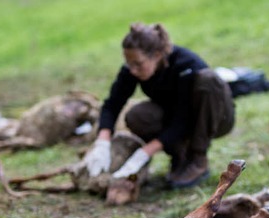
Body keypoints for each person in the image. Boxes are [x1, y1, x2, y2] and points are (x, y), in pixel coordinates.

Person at [82, 22, 235, 188]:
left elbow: (183, 118)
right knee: (137, 116)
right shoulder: (133, 68)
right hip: (174, 116)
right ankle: (179, 156)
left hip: (213, 118)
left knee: (208, 79)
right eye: (128, 63)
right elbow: (112, 104)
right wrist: (102, 142)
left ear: (156, 55)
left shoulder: (185, 64)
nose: (132, 70)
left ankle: (198, 158)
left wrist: (144, 153)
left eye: (138, 64)